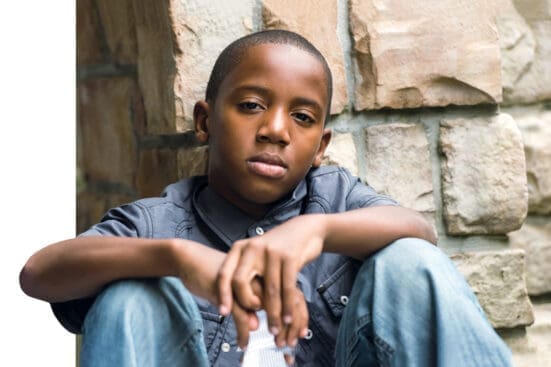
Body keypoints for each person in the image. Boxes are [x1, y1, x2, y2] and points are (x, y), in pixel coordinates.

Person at [20, 29, 512, 366]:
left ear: (321, 147)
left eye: (302, 117)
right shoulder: (162, 221)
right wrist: (176, 257)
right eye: (251, 106)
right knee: (133, 289)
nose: (275, 130)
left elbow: (419, 231)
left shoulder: (334, 198)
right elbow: (38, 274)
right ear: (205, 121)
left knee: (409, 259)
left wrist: (314, 230)